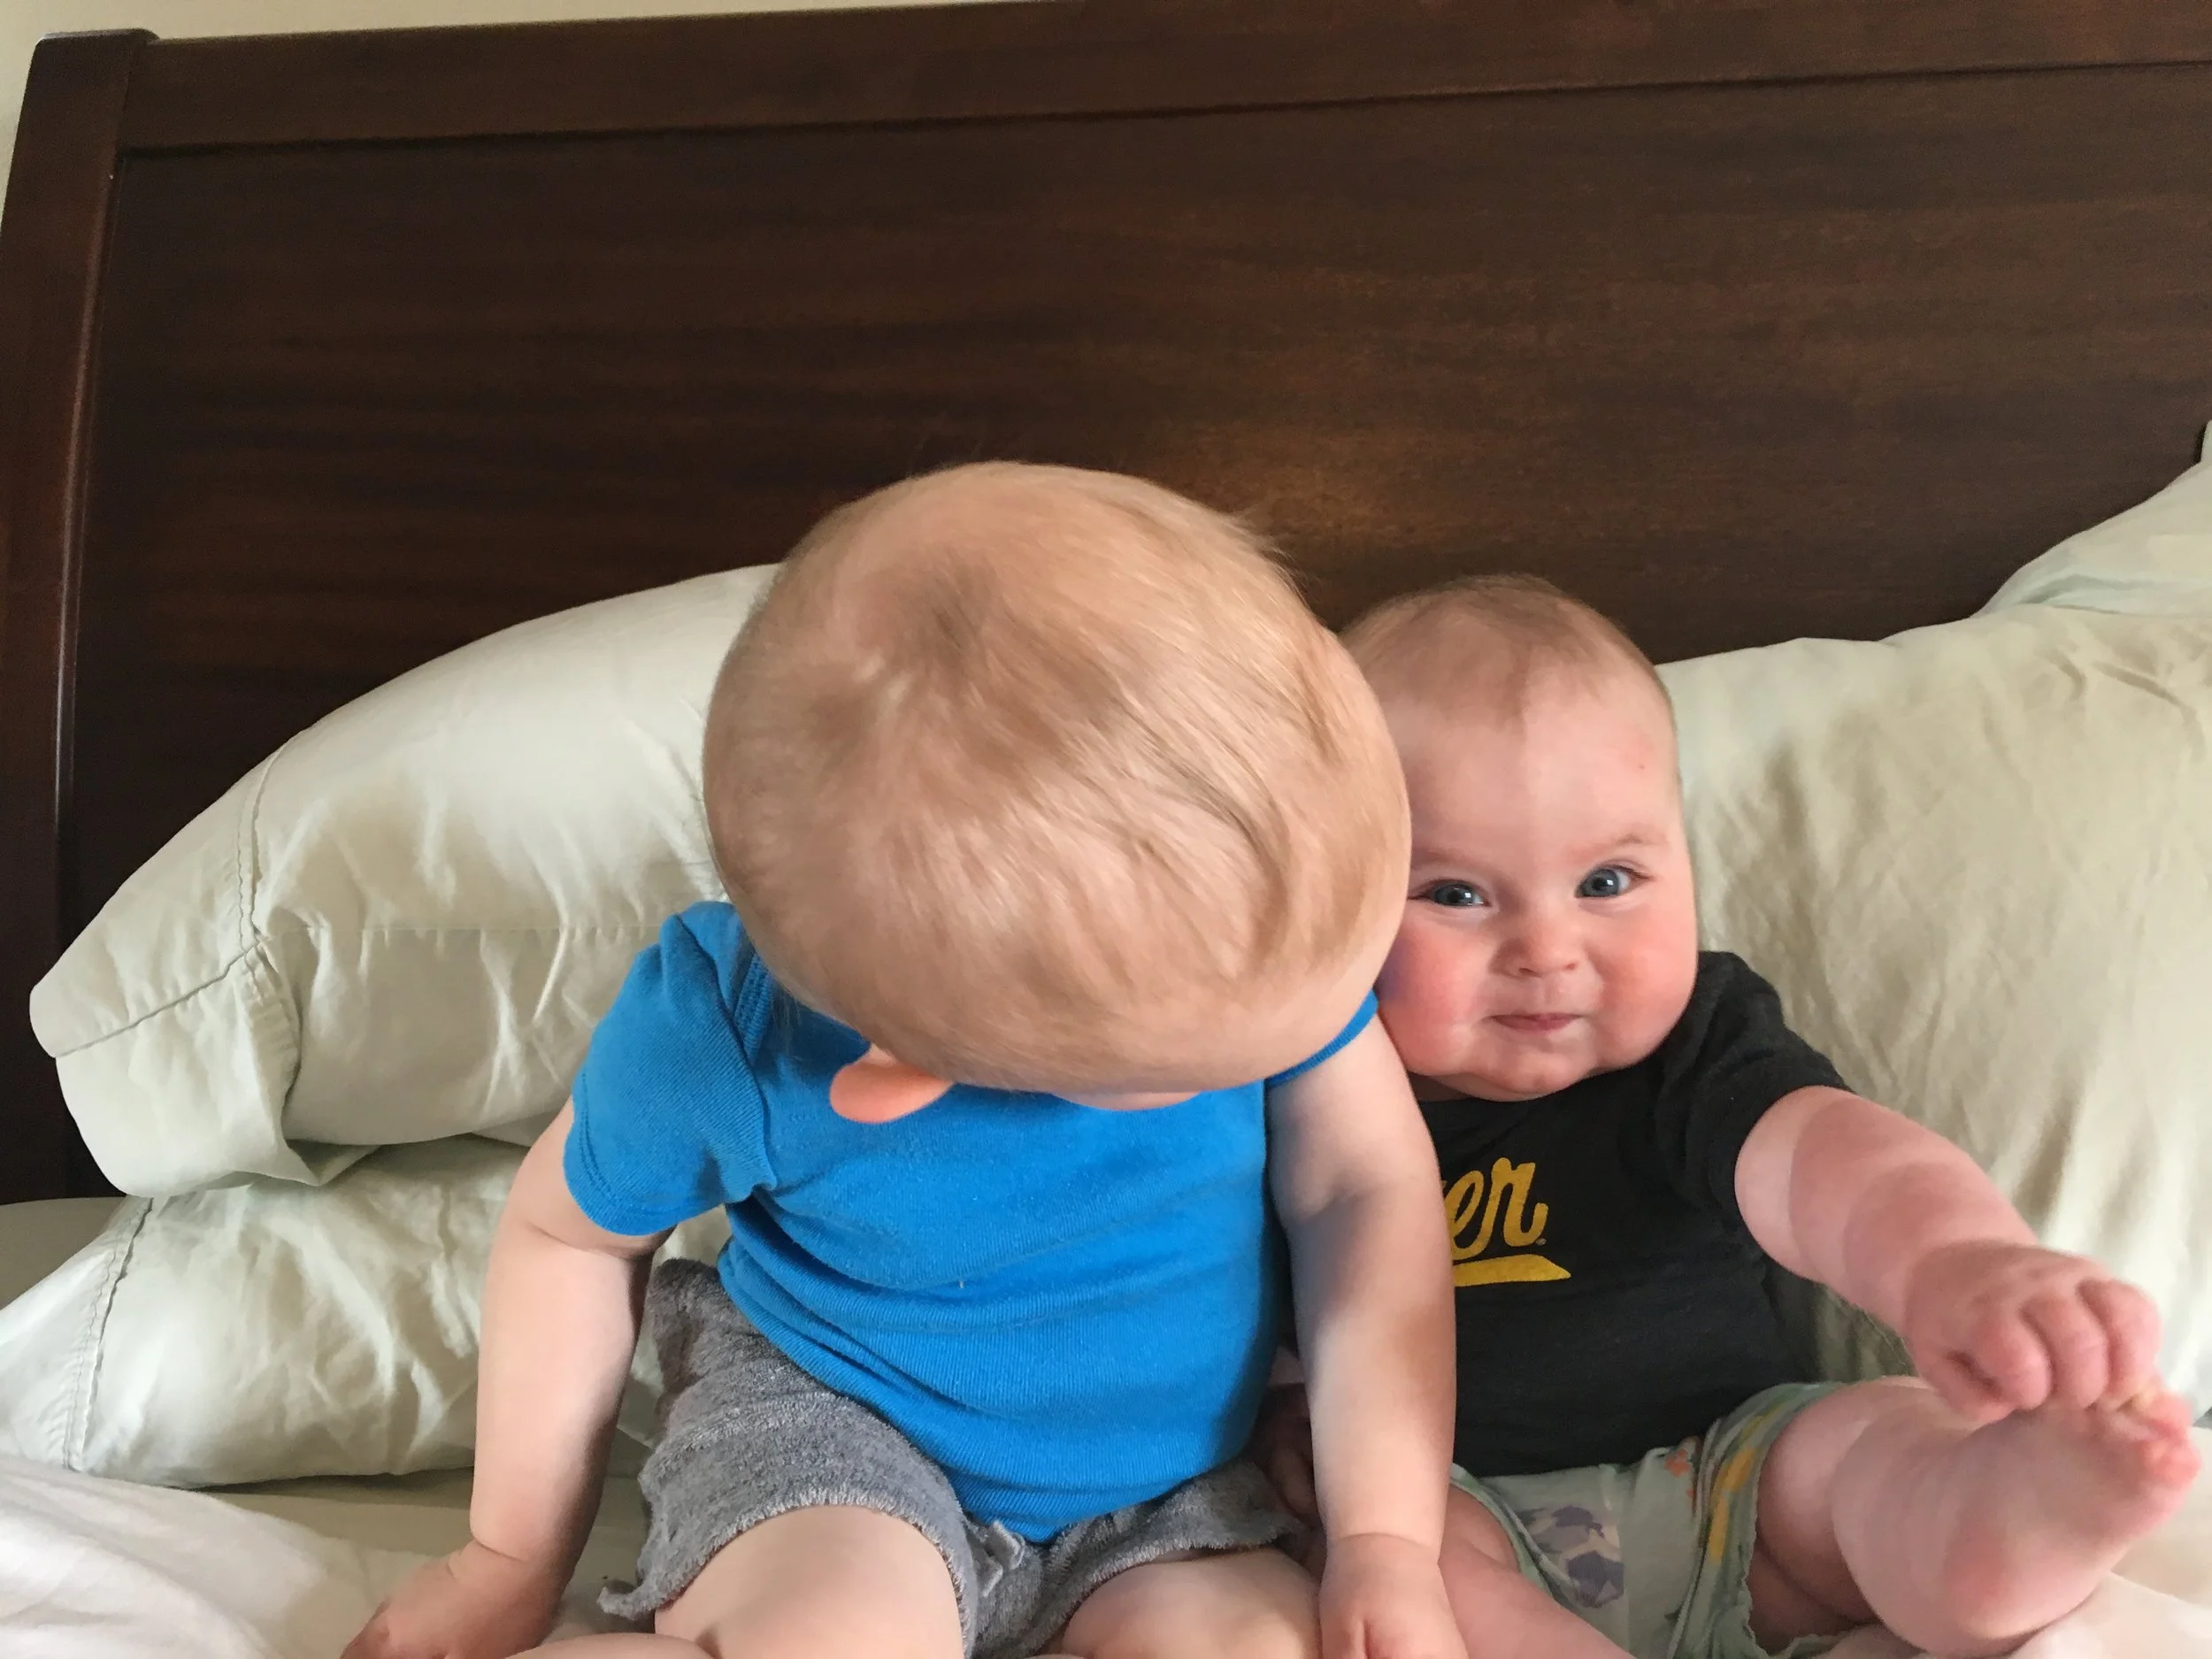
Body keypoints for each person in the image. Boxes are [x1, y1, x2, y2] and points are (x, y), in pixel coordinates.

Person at [344, 463, 1466, 1659]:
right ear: (903, 1074)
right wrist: (508, 1558)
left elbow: (1363, 1193)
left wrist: (1385, 1539)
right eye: (1226, 1055)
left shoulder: (1268, 933)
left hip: (1170, 1495)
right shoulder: (729, 1038)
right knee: (836, 1633)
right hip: (832, 1438)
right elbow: (570, 1237)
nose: (1323, 1025)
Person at [1260, 573, 2198, 1659]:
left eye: (1607, 881)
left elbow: (1827, 1166)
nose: (1548, 952)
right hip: (1453, 1501)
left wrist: (1952, 1261)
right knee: (1400, 1568)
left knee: (1865, 1445)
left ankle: (2005, 1524)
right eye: (1457, 894)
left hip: (1732, 1468)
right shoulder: (1307, 1091)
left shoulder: (1692, 1052)